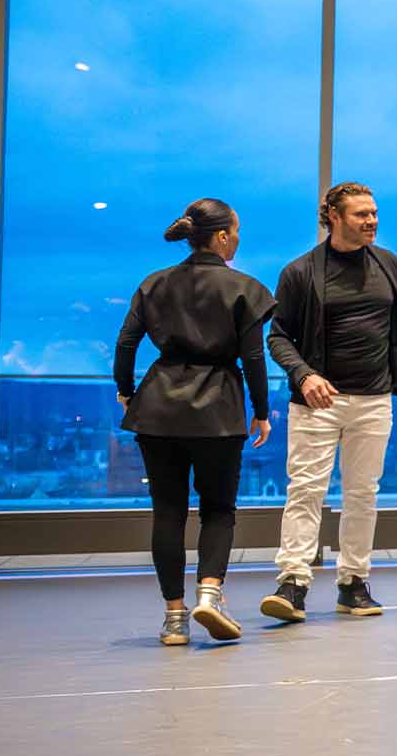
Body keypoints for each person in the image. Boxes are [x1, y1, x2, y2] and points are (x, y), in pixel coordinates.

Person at [115, 198, 276, 647]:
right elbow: (253, 358)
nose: (238, 239)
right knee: (218, 509)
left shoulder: (154, 283)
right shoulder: (244, 288)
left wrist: (127, 392)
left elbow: (126, 344)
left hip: (157, 407)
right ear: (222, 236)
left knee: (167, 512)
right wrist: (260, 411)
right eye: (236, 231)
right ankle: (210, 593)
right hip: (219, 410)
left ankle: (174, 618)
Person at [260, 182, 397, 623]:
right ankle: (293, 584)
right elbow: (277, 335)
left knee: (363, 495)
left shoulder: (391, 265)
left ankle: (353, 584)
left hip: (374, 400)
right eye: (362, 215)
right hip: (317, 403)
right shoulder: (300, 272)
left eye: (374, 213)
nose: (372, 222)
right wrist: (304, 376)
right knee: (305, 491)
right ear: (334, 218)